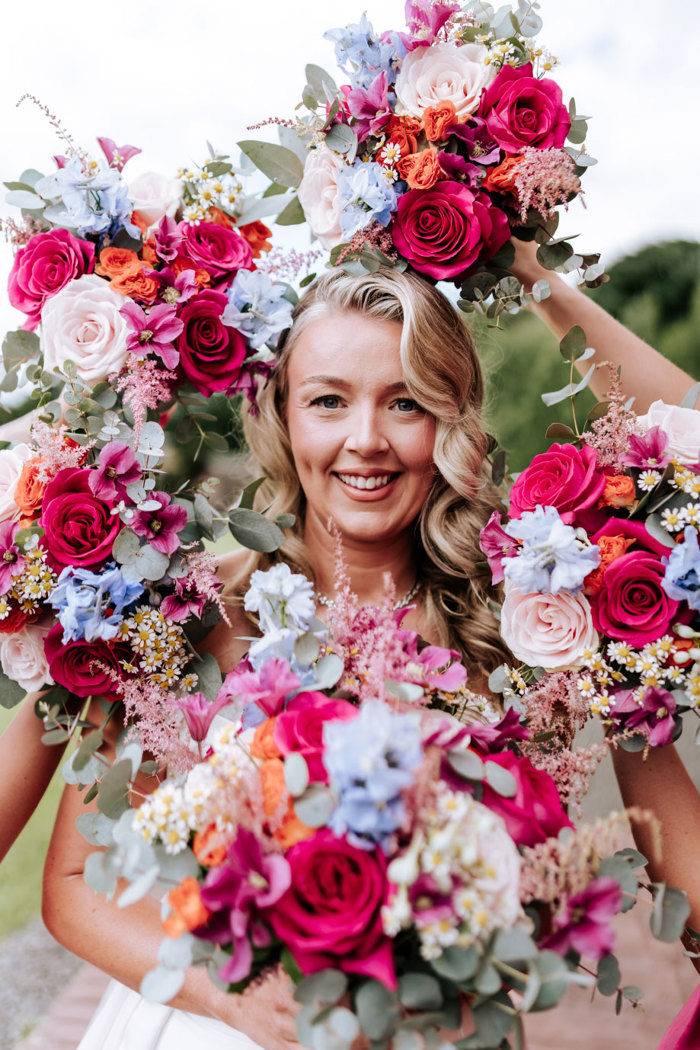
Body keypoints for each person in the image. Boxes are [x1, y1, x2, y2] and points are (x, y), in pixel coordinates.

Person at [32, 264, 700, 1048]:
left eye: (406, 401)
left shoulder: (527, 627)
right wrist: (225, 995)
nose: (366, 440)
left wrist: (532, 273)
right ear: (282, 416)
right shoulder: (192, 622)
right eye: (327, 400)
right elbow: (74, 887)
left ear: (451, 420)